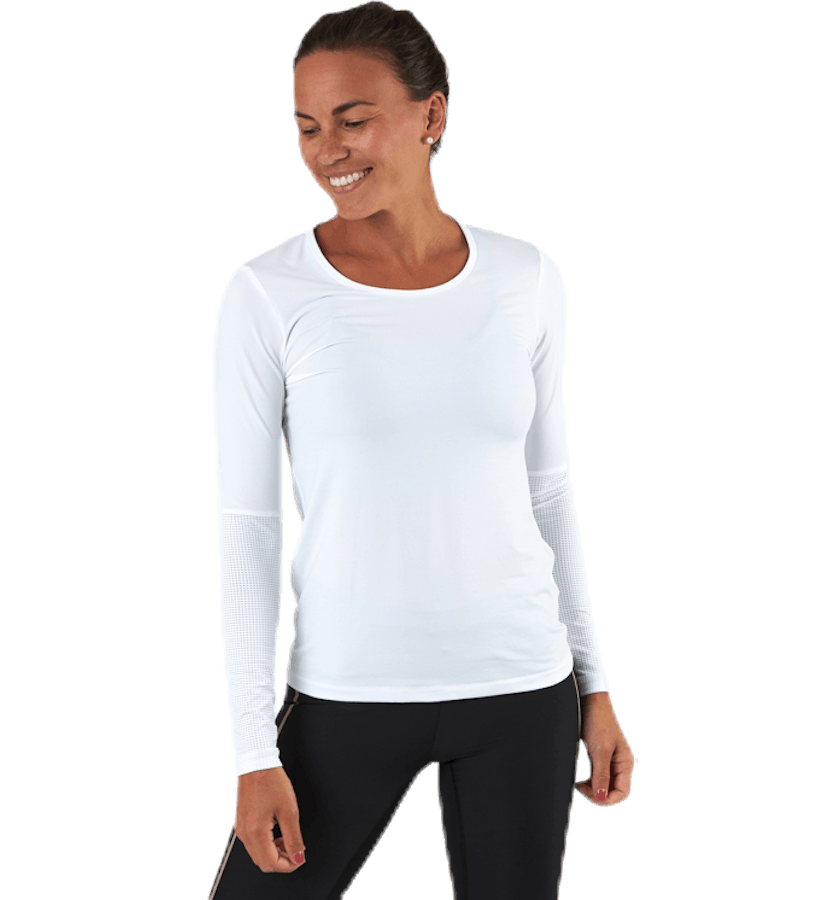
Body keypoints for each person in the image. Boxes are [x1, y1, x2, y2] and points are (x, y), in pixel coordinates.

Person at [209, 3, 635, 897]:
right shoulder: (267, 294)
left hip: (523, 688)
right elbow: (248, 528)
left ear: (432, 114)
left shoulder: (527, 278)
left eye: (353, 120)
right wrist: (253, 751)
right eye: (307, 127)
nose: (328, 151)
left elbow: (548, 494)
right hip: (348, 692)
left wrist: (594, 688)